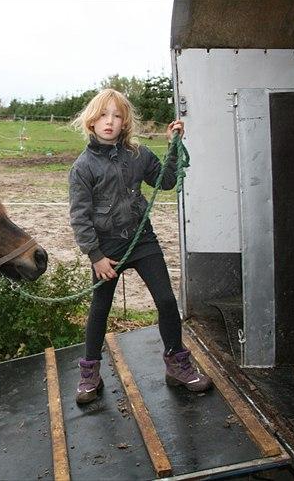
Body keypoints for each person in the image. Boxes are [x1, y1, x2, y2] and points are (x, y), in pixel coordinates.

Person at [68, 89, 212, 404]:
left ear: (125, 123)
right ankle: (90, 373)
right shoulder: (83, 167)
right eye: (103, 115)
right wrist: (96, 257)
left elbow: (166, 181)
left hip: (142, 239)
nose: (110, 121)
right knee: (100, 309)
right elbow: (80, 218)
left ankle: (176, 363)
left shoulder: (138, 154)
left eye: (117, 116)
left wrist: (173, 146)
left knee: (165, 300)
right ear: (92, 121)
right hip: (107, 249)